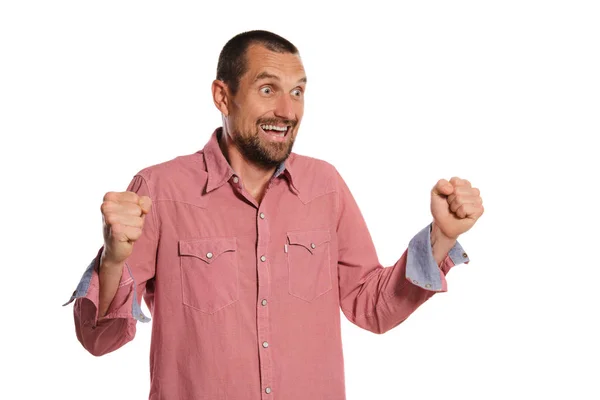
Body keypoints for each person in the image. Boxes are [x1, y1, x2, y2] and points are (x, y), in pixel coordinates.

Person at [64, 30, 484, 400]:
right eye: (268, 89)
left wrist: (440, 238)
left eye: (298, 92)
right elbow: (98, 340)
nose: (288, 110)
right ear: (222, 96)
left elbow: (372, 307)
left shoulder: (325, 186)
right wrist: (113, 261)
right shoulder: (160, 191)